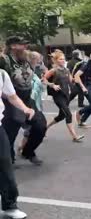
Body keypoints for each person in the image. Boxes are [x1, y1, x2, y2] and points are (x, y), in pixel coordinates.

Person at [0, 36, 46, 165]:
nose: (26, 47)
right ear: (13, 46)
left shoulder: (26, 58)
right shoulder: (4, 60)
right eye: (22, 44)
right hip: (10, 101)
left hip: (27, 99)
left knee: (40, 126)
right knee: (10, 133)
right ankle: (8, 160)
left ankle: (28, 152)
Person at [0, 68, 35, 219]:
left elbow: (12, 96)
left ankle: (9, 205)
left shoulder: (1, 74)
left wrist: (25, 108)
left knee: (5, 163)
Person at [44, 50, 85, 142]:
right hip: (58, 96)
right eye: (60, 59)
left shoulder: (66, 70)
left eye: (64, 59)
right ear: (56, 60)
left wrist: (77, 80)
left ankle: (44, 128)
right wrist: (52, 85)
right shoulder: (53, 70)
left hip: (66, 95)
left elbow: (71, 80)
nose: (63, 61)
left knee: (61, 116)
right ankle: (75, 136)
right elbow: (43, 79)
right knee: (68, 114)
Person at [73, 52, 91, 128]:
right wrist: (83, 87)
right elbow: (76, 75)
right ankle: (79, 112)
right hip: (86, 86)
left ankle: (82, 121)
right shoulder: (85, 65)